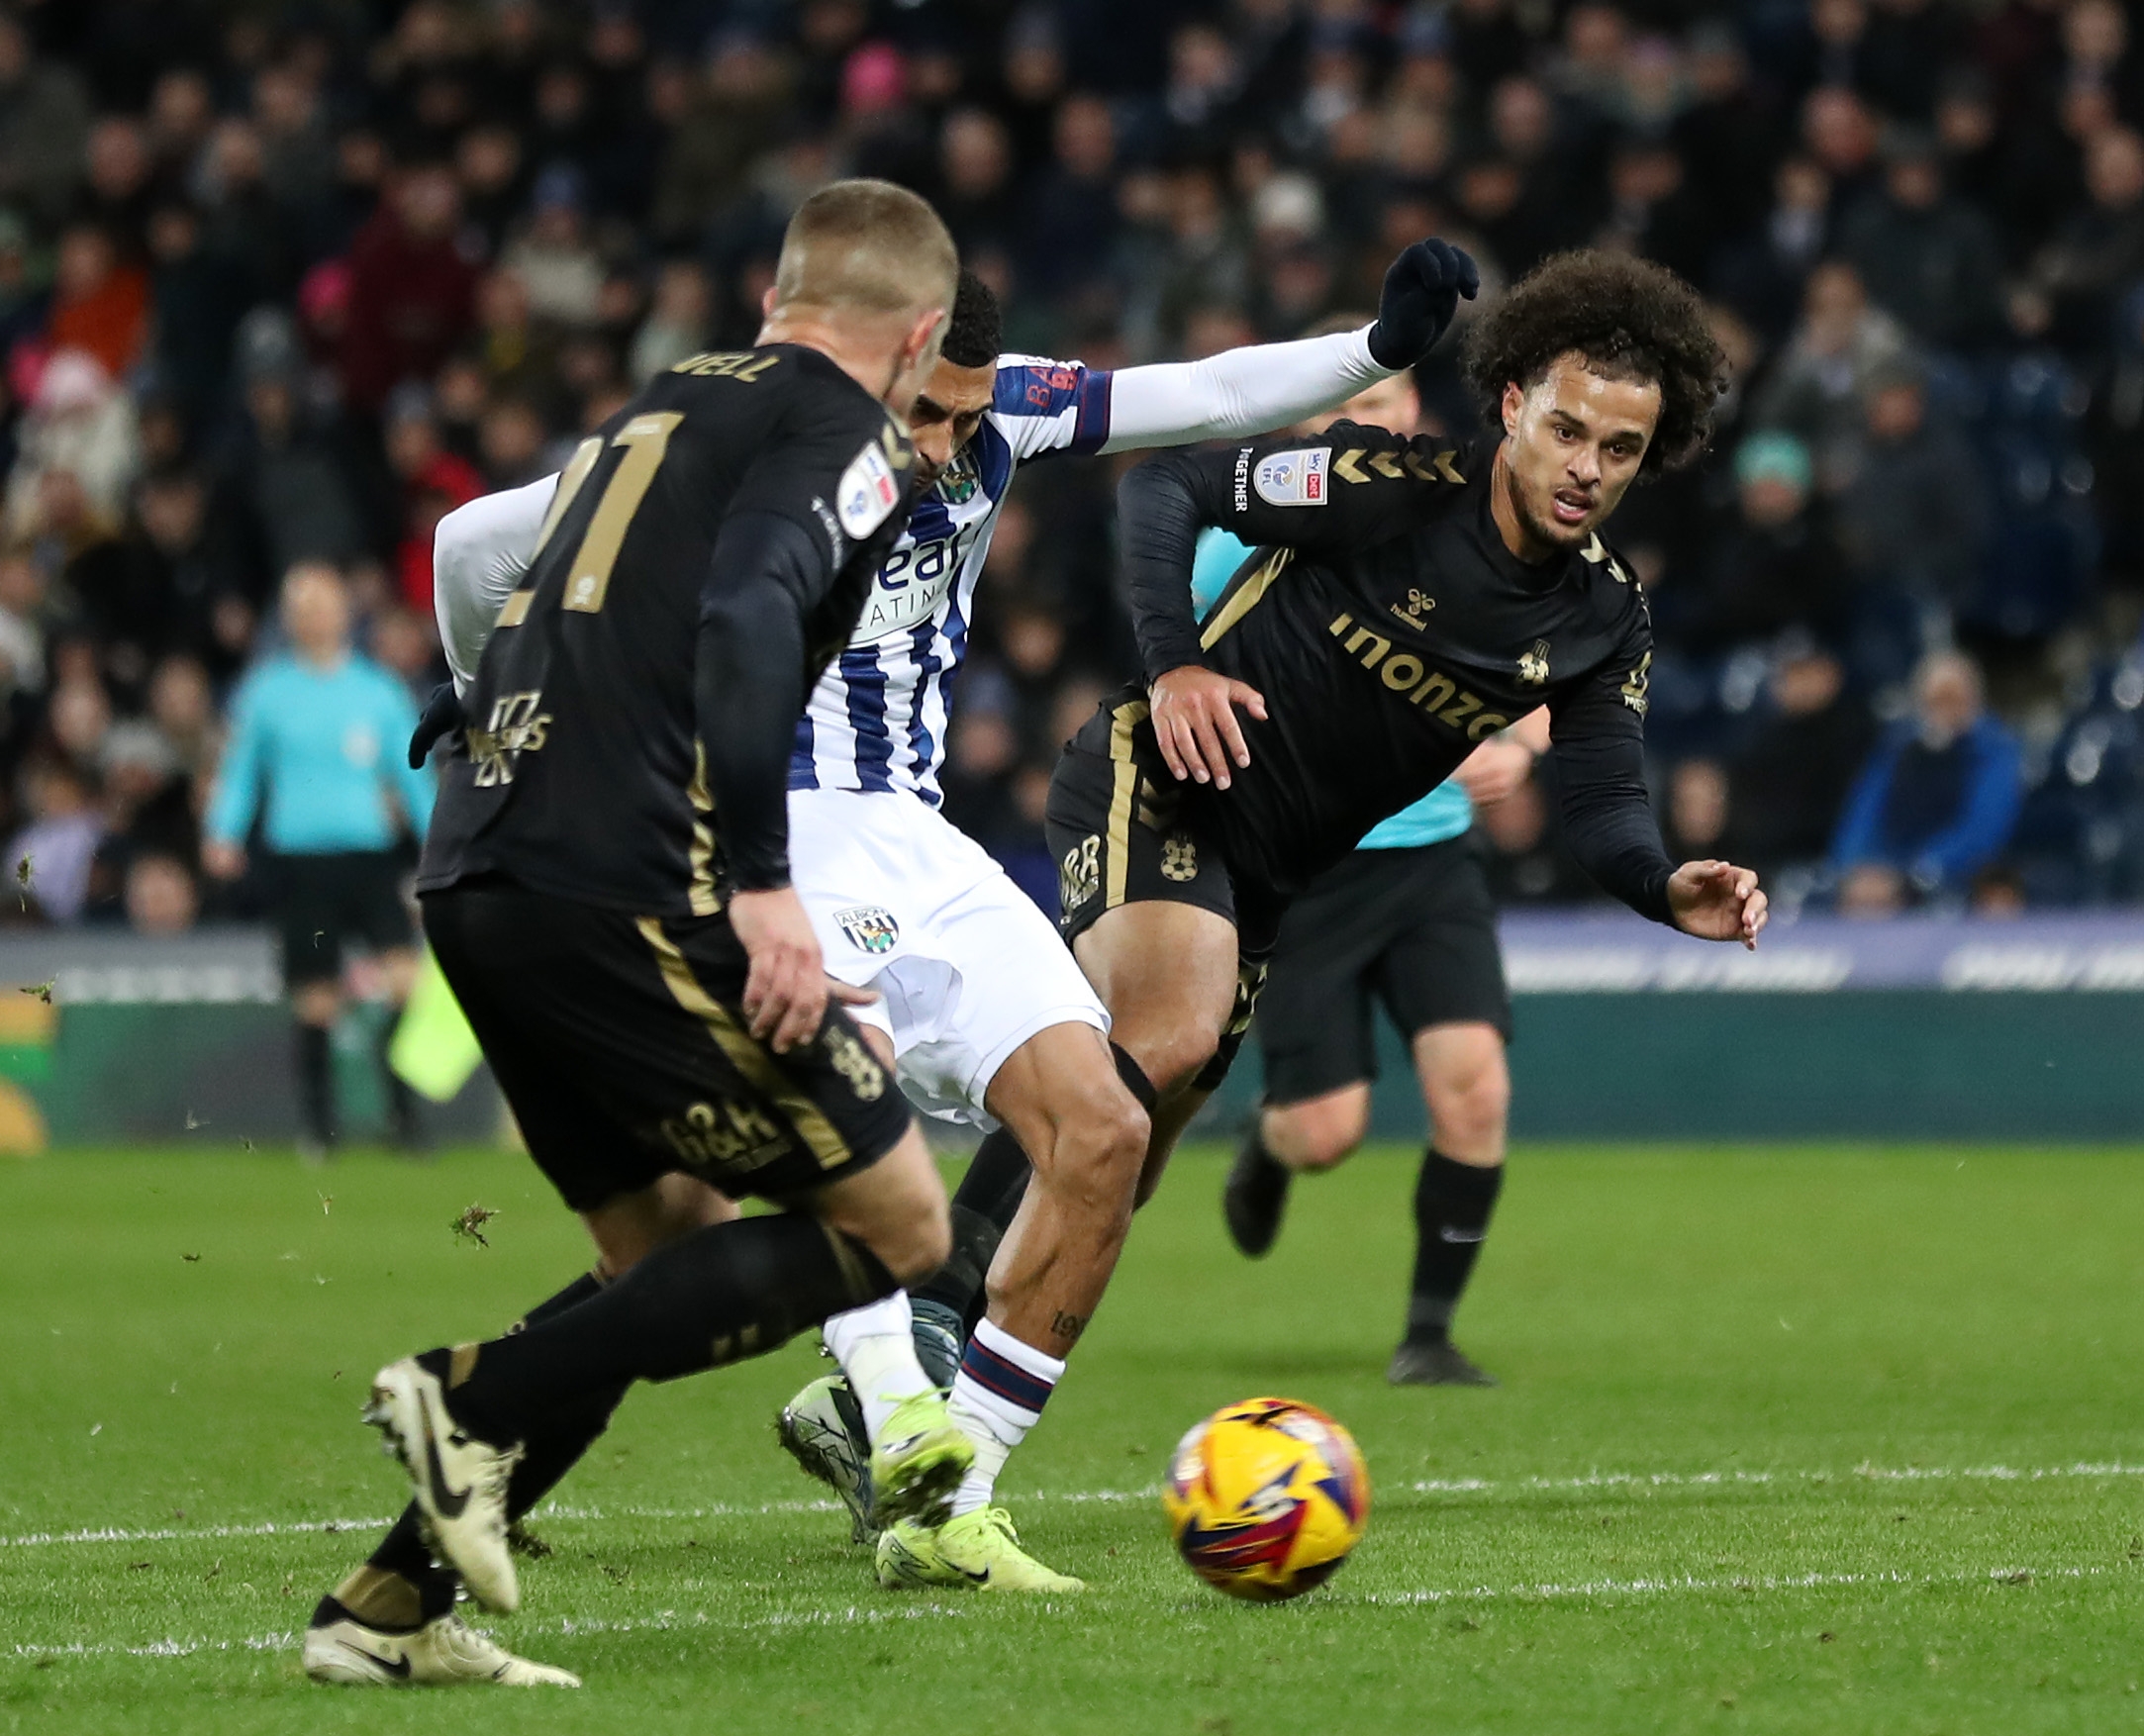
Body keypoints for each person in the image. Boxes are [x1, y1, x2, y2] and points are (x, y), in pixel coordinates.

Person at [424, 242, 1478, 1591]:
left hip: (912, 836)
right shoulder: (730, 450)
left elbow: (1210, 394)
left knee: (1100, 1123)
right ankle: (869, 1409)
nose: (954, 444)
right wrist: (483, 699)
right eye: (929, 412)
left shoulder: (1000, 410)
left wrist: (1376, 353)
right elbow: (473, 543)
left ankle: (943, 1495)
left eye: (972, 414)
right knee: (792, 1167)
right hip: (755, 837)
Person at [922, 250, 1771, 1477]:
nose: (1586, 467)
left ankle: (952, 1443)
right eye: (1567, 428)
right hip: (1159, 777)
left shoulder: (1601, 619)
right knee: (1157, 1038)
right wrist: (1173, 668)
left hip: (1269, 884)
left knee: (1127, 1166)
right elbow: (1165, 487)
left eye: (1621, 448)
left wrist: (1659, 883)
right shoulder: (1389, 485)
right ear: (1511, 401)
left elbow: (1597, 794)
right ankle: (920, 1312)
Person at [307, 179, 955, 1692]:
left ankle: (383, 1612)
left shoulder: (656, 405)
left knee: (656, 1244)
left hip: (485, 874)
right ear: (918, 336)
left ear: (774, 295)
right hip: (621, 887)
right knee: (901, 1227)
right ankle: (468, 1398)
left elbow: (497, 564)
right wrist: (760, 883)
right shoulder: (844, 439)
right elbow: (741, 620)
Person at [1211, 354, 1548, 1388]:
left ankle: (1427, 1335)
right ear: (1307, 429)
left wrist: (1517, 744)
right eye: (1342, 410)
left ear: (1409, 415)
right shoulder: (1238, 542)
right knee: (1325, 1133)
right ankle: (1270, 1144)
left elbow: (1545, 673)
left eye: (1380, 407)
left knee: (1475, 1090)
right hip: (1311, 865)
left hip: (1431, 860)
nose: (1365, 426)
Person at [199, 562, 430, 1157]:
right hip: (300, 859)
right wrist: (223, 832)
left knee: (406, 982)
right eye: (302, 608)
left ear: (345, 614)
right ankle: (320, 1130)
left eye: (323, 605)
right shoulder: (267, 693)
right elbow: (241, 772)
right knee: (317, 997)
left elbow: (411, 774)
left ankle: (403, 1120)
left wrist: (440, 840)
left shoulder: (376, 689)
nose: (314, 617)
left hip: (369, 855)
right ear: (289, 619)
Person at [1827, 649, 2022, 913]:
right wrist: (1855, 867)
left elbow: (1983, 828)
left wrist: (1913, 873)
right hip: (1882, 874)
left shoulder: (1993, 752)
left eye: (1954, 699)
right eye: (1936, 700)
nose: (1945, 710)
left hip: (1952, 878)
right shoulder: (1897, 750)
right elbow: (1863, 814)